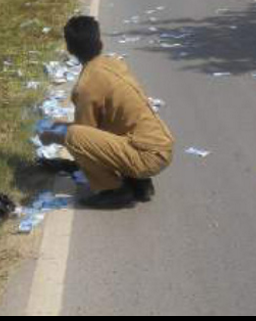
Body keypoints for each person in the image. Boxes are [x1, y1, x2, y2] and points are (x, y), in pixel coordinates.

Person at [40, 16, 174, 209]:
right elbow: (105, 124)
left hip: (146, 157)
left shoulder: (85, 86)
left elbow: (83, 136)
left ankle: (114, 190)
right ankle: (139, 183)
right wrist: (60, 126)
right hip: (162, 146)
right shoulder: (115, 64)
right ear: (100, 41)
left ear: (69, 49)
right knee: (112, 121)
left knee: (74, 136)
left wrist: (52, 136)